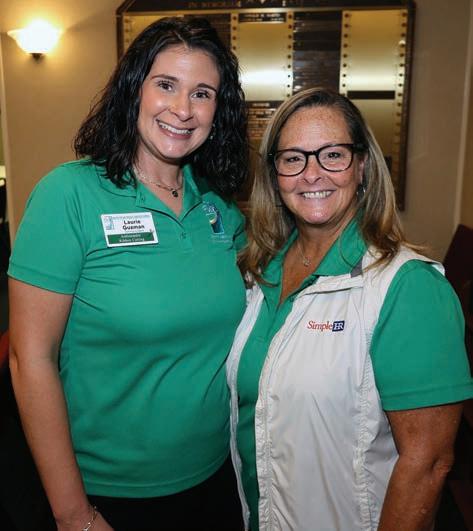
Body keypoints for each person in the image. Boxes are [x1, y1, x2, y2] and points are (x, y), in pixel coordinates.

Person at [8, 17, 248, 531]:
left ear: (218, 110)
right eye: (166, 85)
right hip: (105, 494)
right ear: (133, 90)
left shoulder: (220, 207)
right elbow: (30, 359)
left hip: (216, 478)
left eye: (202, 93)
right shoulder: (68, 195)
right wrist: (74, 515)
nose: (183, 109)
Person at [227, 87, 473, 531]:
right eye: (293, 158)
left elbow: (428, 463)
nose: (311, 174)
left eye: (333, 155)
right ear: (275, 175)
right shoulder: (259, 272)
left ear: (362, 166)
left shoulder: (408, 288)